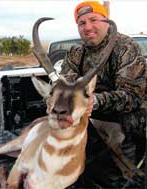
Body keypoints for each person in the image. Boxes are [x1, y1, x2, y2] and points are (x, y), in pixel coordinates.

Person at [60, 1, 146, 188]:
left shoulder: (126, 47)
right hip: (88, 112)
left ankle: (129, 171)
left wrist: (95, 101)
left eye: (93, 20)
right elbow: (65, 83)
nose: (88, 27)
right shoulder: (76, 52)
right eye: (81, 23)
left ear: (107, 21)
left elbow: (132, 96)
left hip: (125, 115)